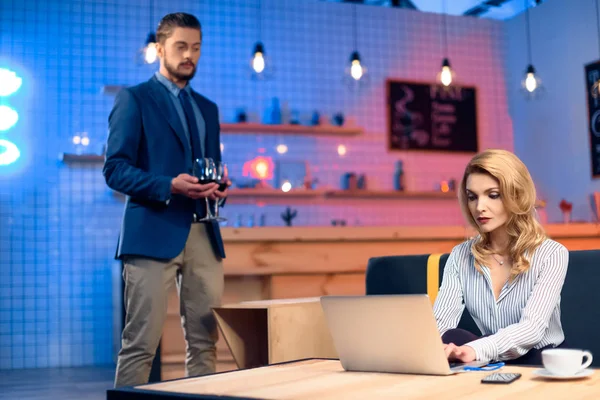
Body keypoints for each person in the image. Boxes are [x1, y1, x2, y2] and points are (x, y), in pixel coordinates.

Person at [103, 12, 229, 387]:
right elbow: (115, 170)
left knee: (206, 343)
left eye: (195, 48)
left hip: (204, 235)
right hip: (151, 234)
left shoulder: (208, 108)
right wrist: (169, 185)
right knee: (141, 344)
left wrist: (219, 188)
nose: (189, 55)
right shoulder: (135, 99)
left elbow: (209, 167)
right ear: (160, 49)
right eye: (180, 47)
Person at [433, 149, 569, 366]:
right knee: (452, 338)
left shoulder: (551, 253)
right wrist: (434, 346)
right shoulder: (460, 255)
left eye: (493, 195)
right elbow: (441, 323)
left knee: (460, 343)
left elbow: (531, 330)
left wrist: (473, 349)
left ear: (517, 195)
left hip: (540, 361)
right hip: (492, 359)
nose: (480, 207)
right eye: (472, 197)